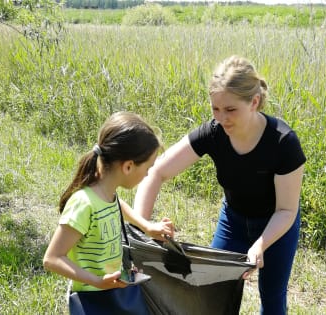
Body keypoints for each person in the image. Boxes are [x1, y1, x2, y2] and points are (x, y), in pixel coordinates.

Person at [132, 56, 306, 315]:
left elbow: (286, 211)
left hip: (276, 228)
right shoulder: (214, 133)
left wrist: (260, 245)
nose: (222, 118)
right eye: (215, 109)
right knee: (213, 292)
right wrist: (141, 230)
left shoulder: (283, 143)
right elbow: (157, 172)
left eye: (230, 110)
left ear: (254, 102)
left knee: (272, 300)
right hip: (233, 222)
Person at [43, 112, 174, 313]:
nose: (148, 174)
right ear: (128, 166)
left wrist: (147, 226)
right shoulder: (83, 204)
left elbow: (118, 205)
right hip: (93, 301)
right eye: (147, 168)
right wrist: (96, 281)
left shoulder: (107, 193)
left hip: (113, 293)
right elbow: (52, 259)